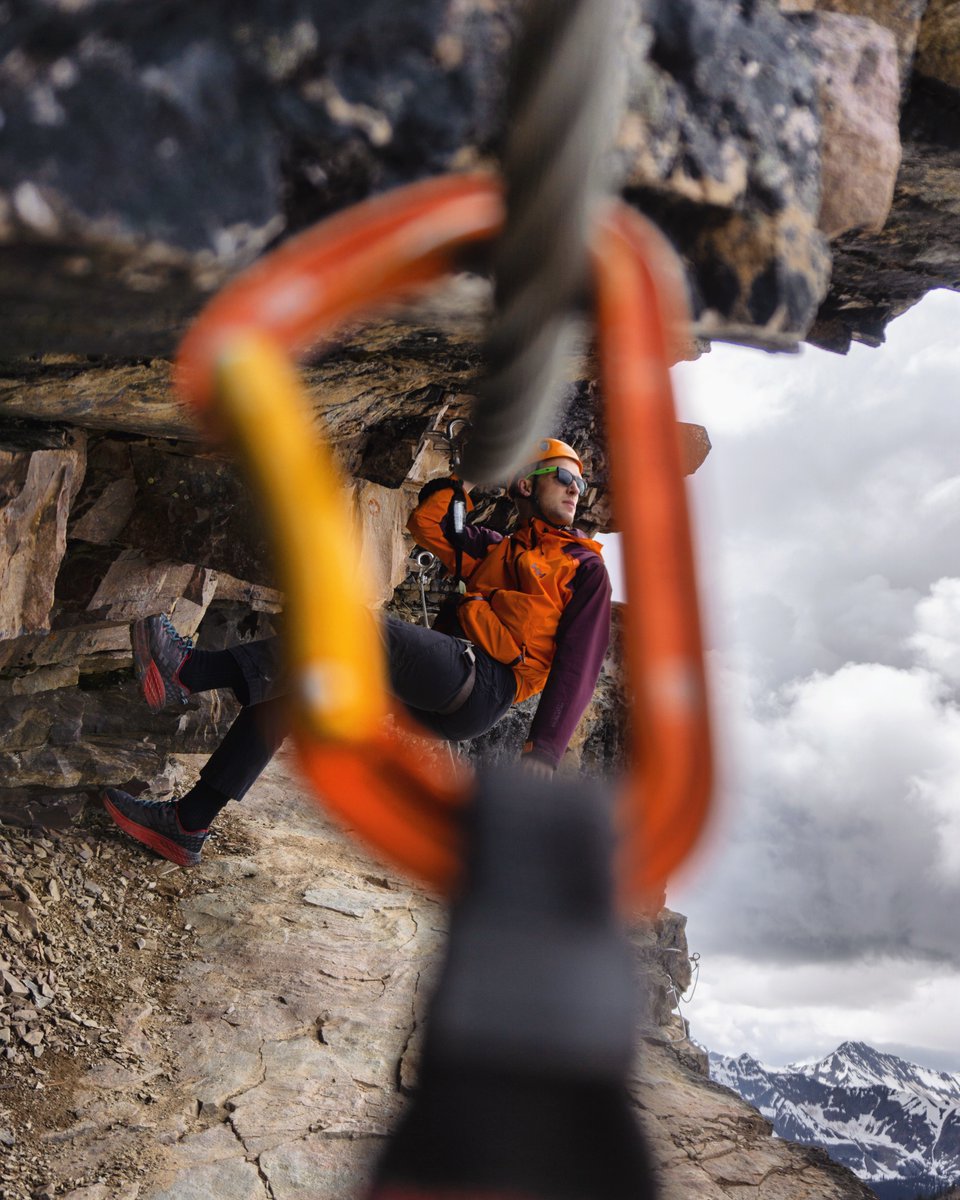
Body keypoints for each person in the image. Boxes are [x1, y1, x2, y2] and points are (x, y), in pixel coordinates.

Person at [103, 438, 613, 866]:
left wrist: (544, 751)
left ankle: (190, 671)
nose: (575, 490)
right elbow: (432, 528)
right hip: (447, 678)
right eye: (563, 478)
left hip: (481, 684)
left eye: (580, 485)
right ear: (527, 483)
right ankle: (187, 824)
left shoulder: (584, 570)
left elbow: (579, 668)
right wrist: (465, 477)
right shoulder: (498, 548)